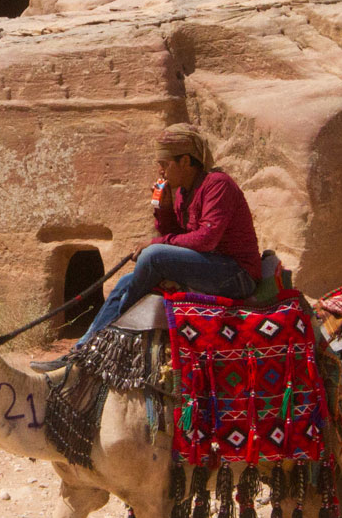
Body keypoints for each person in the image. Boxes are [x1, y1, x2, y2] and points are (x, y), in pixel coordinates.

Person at [31, 124, 261, 372]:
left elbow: (205, 240)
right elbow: (179, 237)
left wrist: (155, 244)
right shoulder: (183, 192)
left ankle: (118, 321)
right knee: (124, 282)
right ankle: (82, 350)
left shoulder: (218, 184)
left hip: (236, 275)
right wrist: (161, 207)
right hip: (208, 268)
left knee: (152, 256)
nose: (160, 170)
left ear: (185, 161)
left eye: (165, 163)